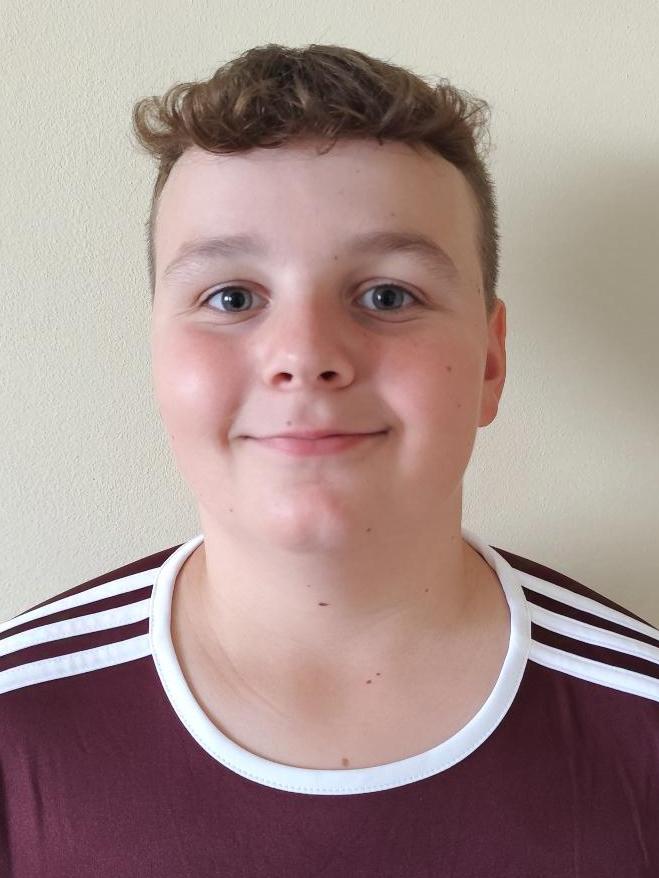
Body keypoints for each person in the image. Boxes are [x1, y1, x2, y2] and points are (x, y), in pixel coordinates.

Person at [1, 42, 657, 876]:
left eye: (386, 295)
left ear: (490, 363)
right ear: (160, 358)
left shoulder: (641, 725)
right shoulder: (16, 724)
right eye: (231, 297)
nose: (305, 355)